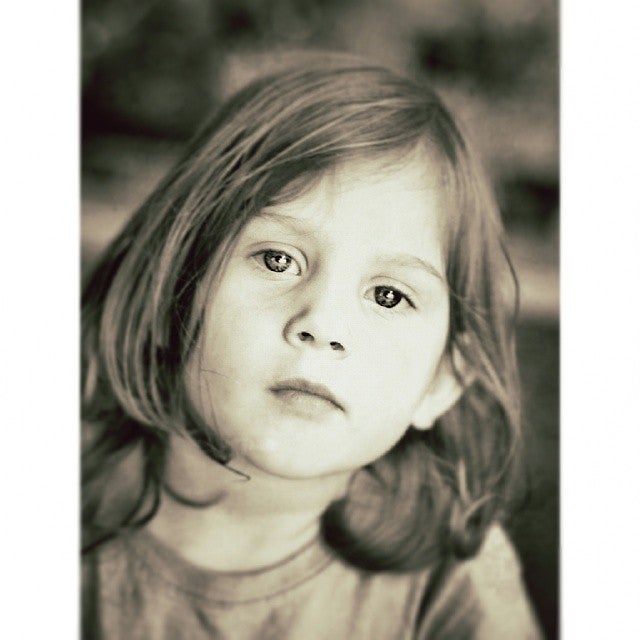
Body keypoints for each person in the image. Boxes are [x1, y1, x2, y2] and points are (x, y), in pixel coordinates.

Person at [81, 55, 543, 639]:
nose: (323, 324)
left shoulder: (456, 578)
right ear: (169, 292)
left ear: (444, 380)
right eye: (278, 260)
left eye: (389, 296)